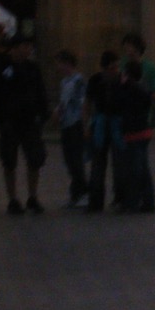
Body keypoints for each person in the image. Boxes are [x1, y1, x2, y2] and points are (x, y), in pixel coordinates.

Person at [0, 34, 48, 215]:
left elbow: (40, 92)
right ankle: (12, 198)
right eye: (25, 46)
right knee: (9, 160)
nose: (29, 50)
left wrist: (42, 114)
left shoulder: (33, 68)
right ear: (14, 48)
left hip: (30, 121)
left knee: (35, 159)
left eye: (30, 46)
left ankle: (32, 196)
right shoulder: (1, 68)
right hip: (9, 121)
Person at [85, 50, 123, 214]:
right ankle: (96, 200)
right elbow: (87, 103)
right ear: (105, 67)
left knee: (119, 163)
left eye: (116, 67)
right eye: (112, 67)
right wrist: (86, 124)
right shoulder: (95, 80)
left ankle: (120, 197)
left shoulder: (122, 79)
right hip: (100, 122)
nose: (115, 70)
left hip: (116, 122)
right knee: (98, 164)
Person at [119, 60, 155, 213]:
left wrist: (124, 85)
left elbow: (122, 105)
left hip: (134, 133)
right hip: (143, 131)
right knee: (142, 168)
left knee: (135, 170)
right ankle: (147, 201)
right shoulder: (143, 88)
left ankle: (133, 202)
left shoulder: (130, 88)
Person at [53, 50, 89, 208]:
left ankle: (83, 192)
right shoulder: (64, 82)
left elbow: (83, 104)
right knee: (69, 160)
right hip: (66, 123)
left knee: (76, 160)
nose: (57, 67)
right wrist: (58, 112)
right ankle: (76, 192)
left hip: (75, 123)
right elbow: (64, 101)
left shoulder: (78, 80)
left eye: (59, 63)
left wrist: (84, 124)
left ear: (67, 63)